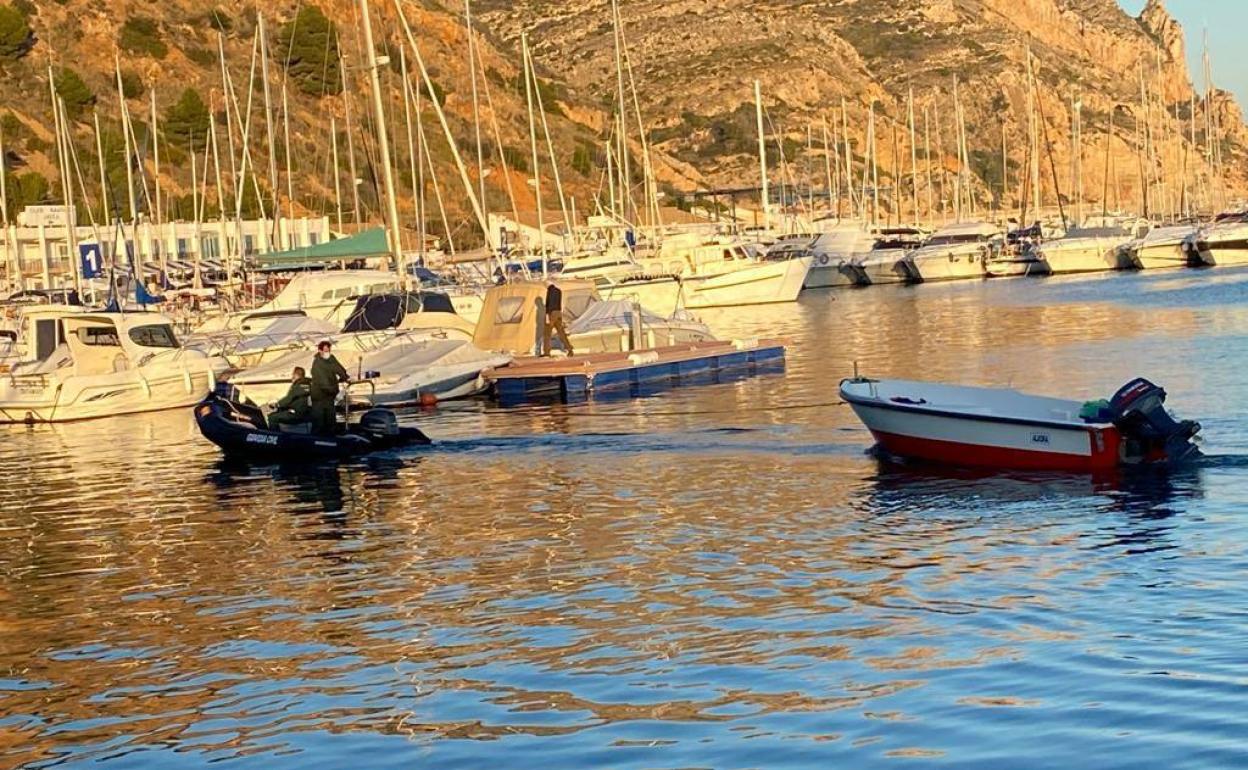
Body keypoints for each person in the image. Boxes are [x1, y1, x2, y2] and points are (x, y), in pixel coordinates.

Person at [310, 341, 350, 435]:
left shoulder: (331, 359)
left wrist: (344, 376)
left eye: (328, 350)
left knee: (330, 419)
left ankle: (331, 437)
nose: (327, 353)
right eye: (325, 350)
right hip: (320, 395)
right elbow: (323, 381)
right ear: (320, 351)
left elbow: (338, 368)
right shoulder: (317, 363)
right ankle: (315, 440)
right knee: (319, 422)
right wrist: (334, 391)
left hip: (329, 395)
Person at [542, 279, 574, 357]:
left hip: (552, 313)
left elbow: (550, 304)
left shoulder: (549, 291)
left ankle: (547, 352)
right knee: (561, 333)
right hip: (558, 313)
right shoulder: (559, 290)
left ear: (547, 285)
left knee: (547, 333)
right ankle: (569, 349)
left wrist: (547, 315)